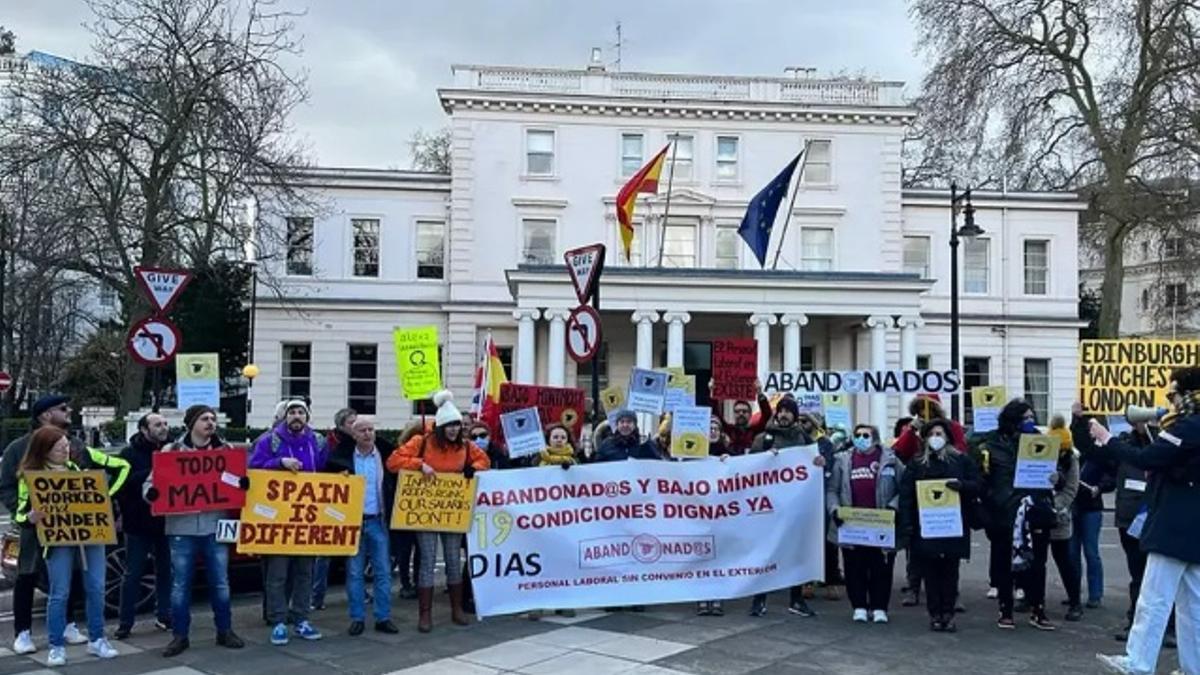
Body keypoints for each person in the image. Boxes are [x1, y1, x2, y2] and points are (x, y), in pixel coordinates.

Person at [1090, 367, 1200, 675]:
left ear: (1188, 394)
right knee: (1193, 607)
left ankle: (1138, 662)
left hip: (1174, 525)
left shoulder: (1188, 427)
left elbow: (1145, 458)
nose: (1171, 401)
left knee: (1154, 598)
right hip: (1193, 527)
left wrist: (1106, 437)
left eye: (1174, 394)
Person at [16, 427, 125, 666]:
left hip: (91, 535)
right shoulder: (31, 477)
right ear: (44, 450)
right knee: (60, 592)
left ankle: (97, 639)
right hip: (57, 541)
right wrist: (30, 517)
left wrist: (105, 496)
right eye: (60, 447)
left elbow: (121, 469)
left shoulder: (77, 470)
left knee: (96, 588)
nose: (66, 450)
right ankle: (56, 646)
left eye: (67, 445)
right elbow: (20, 514)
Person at [145, 405, 246, 657]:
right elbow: (151, 483)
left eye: (213, 419)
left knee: (221, 583)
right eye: (204, 419)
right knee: (180, 585)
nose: (210, 423)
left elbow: (235, 481)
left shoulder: (227, 451)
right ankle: (180, 636)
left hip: (216, 526)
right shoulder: (172, 452)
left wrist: (243, 483)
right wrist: (151, 494)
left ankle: (225, 630)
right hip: (182, 527)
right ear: (192, 424)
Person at [388, 391, 490, 632]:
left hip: (451, 511)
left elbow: (484, 460)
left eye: (457, 426)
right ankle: (425, 614)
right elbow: (393, 461)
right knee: (428, 560)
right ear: (440, 426)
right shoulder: (422, 442)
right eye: (449, 426)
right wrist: (419, 464)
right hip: (427, 511)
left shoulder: (465, 446)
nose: (454, 430)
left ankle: (456, 609)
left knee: (454, 559)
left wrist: (472, 468)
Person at [0, 394, 92, 654]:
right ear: (45, 415)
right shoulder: (18, 448)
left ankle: (69, 624)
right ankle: (22, 633)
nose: (69, 411)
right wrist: (25, 512)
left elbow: (85, 477)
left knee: (70, 573)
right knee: (27, 575)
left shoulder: (75, 444)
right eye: (63, 408)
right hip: (33, 526)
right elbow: (6, 486)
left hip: (67, 521)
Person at [970, 399, 1058, 631]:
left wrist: (1053, 478)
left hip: (1034, 510)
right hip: (1003, 511)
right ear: (1013, 420)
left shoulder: (1040, 442)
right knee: (1004, 563)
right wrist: (992, 499)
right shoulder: (991, 444)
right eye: (1025, 418)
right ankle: (1005, 608)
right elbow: (981, 475)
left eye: (1032, 417)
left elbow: (1054, 470)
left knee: (1037, 563)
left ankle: (1037, 608)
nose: (1030, 422)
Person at [250, 400, 329, 645]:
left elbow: (327, 471)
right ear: (284, 416)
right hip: (278, 520)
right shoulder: (269, 441)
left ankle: (302, 618)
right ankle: (279, 622)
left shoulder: (318, 441)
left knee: (306, 573)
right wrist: (279, 463)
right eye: (292, 412)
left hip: (307, 519)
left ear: (307, 416)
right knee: (278, 574)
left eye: (301, 412)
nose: (296, 416)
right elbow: (252, 468)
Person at [898, 419, 981, 633]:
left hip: (953, 525)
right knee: (931, 574)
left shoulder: (960, 460)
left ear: (947, 437)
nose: (936, 438)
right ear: (925, 438)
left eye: (940, 433)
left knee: (950, 573)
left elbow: (979, 485)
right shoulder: (917, 463)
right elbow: (906, 496)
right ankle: (935, 614)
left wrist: (962, 486)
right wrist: (907, 525)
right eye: (932, 434)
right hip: (926, 527)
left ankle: (948, 613)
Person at [326, 416, 400, 636]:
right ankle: (357, 617)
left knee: (383, 572)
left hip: (378, 520)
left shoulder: (385, 456)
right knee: (355, 573)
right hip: (353, 523)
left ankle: (383, 617)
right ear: (354, 435)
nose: (368, 433)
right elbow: (328, 479)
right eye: (363, 430)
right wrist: (338, 478)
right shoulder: (342, 458)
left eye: (371, 429)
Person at [749, 395, 816, 618]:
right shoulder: (763, 439)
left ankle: (796, 599)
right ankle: (759, 599)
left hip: (794, 509)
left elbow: (814, 463)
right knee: (766, 555)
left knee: (795, 554)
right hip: (769, 509)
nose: (784, 414)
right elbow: (750, 469)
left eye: (789, 411)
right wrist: (766, 459)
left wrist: (819, 462)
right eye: (782, 410)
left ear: (795, 416)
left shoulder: (804, 439)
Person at [827, 424, 901, 624]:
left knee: (882, 567)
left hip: (881, 523)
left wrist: (894, 507)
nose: (861, 438)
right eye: (857, 435)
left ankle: (879, 607)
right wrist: (834, 510)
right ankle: (859, 605)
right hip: (852, 525)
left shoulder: (891, 460)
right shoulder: (842, 460)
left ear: (875, 438)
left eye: (865, 435)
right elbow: (832, 489)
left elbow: (904, 489)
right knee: (854, 566)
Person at [115, 412, 173, 639]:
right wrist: (153, 472)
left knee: (166, 572)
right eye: (158, 424)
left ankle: (164, 615)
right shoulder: (128, 454)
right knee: (132, 574)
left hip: (165, 522)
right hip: (137, 522)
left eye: (165, 424)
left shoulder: (172, 450)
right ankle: (125, 622)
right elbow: (122, 483)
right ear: (143, 429)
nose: (163, 428)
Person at [1067, 405, 1115, 616]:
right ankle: (1074, 593)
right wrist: (1075, 417)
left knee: (1091, 552)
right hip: (1074, 504)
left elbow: (1111, 476)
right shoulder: (1077, 449)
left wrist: (1101, 487)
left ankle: (1095, 594)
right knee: (1071, 553)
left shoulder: (1103, 451)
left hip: (1091, 507)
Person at [311, 407, 357, 612]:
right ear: (340, 426)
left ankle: (356, 592)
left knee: (353, 552)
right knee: (325, 554)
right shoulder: (328, 444)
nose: (355, 426)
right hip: (330, 505)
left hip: (352, 503)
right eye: (351, 423)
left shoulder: (358, 444)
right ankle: (316, 595)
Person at [1044, 417, 1083, 622]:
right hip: (1041, 514)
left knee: (1065, 562)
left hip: (1059, 517)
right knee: (1035, 561)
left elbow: (1071, 488)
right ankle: (1033, 599)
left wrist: (1056, 506)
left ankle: (1075, 601)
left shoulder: (1071, 460)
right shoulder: (1041, 454)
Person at [391, 421, 427, 600]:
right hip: (406, 507)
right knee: (406, 550)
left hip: (421, 508)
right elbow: (394, 464)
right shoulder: (404, 452)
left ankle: (415, 583)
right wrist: (419, 464)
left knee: (418, 549)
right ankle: (407, 584)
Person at [892, 394, 967, 462]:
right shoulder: (911, 428)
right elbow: (901, 452)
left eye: (929, 408)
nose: (924, 412)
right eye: (920, 408)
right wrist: (910, 432)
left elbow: (960, 451)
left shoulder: (952, 426)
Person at [709, 379, 772, 455]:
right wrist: (713, 393)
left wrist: (760, 393)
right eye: (737, 411)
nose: (741, 414)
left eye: (744, 411)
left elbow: (767, 415)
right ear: (734, 414)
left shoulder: (755, 430)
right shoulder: (729, 430)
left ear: (750, 414)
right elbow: (716, 414)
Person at [595, 410, 661, 462]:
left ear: (635, 425)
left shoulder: (645, 444)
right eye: (622, 422)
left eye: (629, 422)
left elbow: (658, 464)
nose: (625, 425)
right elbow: (596, 466)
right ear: (617, 425)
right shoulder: (606, 445)